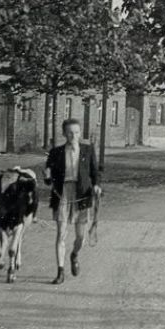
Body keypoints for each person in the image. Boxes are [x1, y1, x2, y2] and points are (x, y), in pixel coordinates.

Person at [44, 118, 101, 285]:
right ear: (64, 134)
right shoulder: (56, 152)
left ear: (80, 133)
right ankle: (60, 271)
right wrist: (47, 176)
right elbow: (49, 178)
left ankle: (74, 254)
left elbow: (95, 172)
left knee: (80, 237)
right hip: (62, 194)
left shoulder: (88, 150)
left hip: (81, 194)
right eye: (70, 133)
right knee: (61, 234)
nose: (73, 136)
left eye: (76, 132)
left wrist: (96, 185)